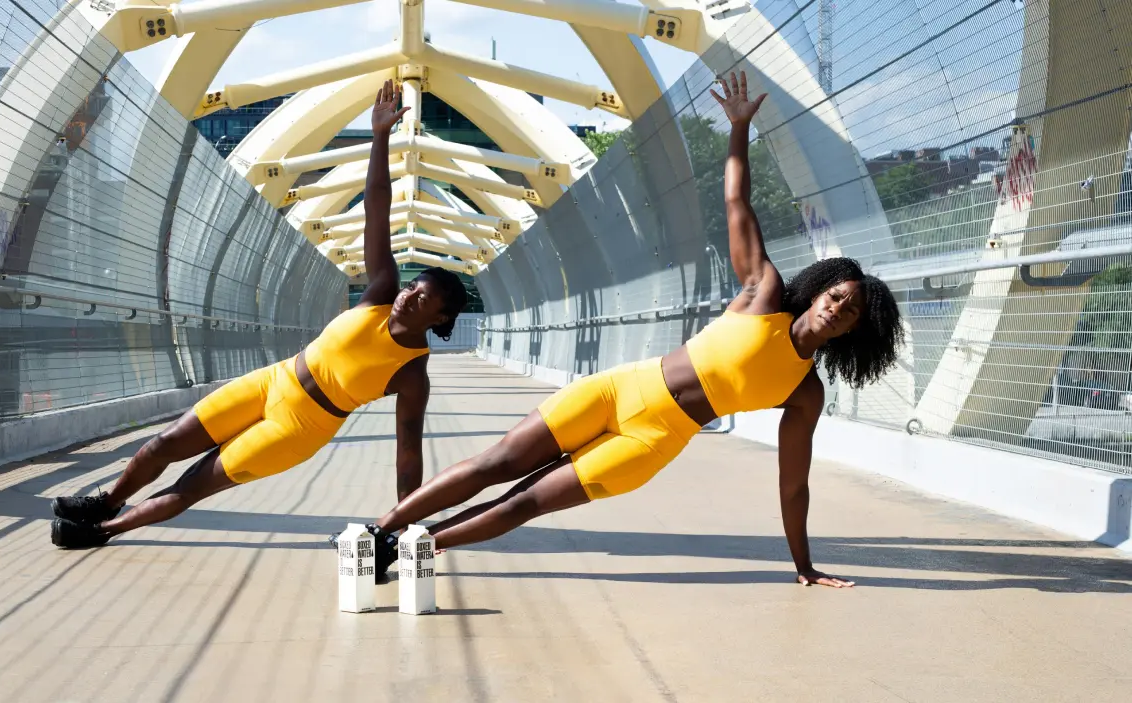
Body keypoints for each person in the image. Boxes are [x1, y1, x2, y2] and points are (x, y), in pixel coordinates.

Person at [343, 72, 905, 587]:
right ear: (821, 289)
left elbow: (793, 483)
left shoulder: (806, 390)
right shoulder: (762, 294)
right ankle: (377, 531)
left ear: (856, 331)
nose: (839, 309)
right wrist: (738, 129)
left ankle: (408, 551)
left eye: (852, 312)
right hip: (619, 389)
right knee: (498, 463)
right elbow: (737, 201)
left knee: (525, 502)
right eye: (838, 297)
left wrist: (803, 564)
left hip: (652, 440)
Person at [50, 80, 468, 548]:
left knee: (191, 484)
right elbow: (376, 209)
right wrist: (380, 137)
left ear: (439, 318)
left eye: (422, 298)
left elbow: (407, 455)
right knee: (163, 444)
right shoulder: (380, 292)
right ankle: (105, 503)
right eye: (413, 285)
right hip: (273, 380)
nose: (408, 294)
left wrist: (402, 524)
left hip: (297, 428)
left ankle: (101, 531)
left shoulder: (413, 373)